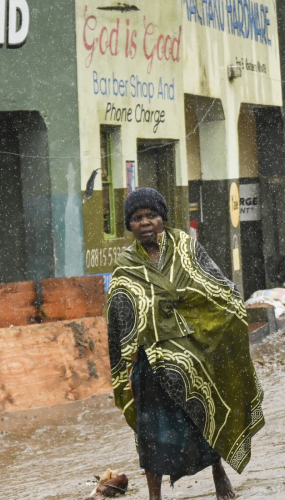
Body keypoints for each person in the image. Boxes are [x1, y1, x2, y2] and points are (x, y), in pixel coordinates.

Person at [106, 188, 264, 500]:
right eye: (137, 218)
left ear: (162, 217)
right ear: (130, 225)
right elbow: (119, 320)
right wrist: (127, 365)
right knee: (151, 435)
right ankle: (155, 496)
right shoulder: (125, 269)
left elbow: (220, 292)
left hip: (195, 356)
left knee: (204, 417)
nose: (146, 222)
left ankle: (220, 475)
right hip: (149, 366)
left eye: (152, 215)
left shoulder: (186, 250)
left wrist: (202, 330)